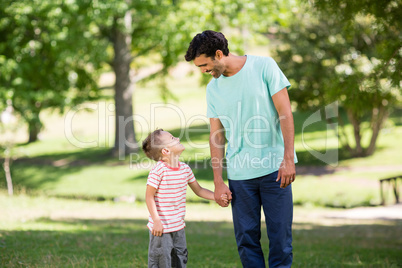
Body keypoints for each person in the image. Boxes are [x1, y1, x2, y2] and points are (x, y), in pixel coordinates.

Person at [185, 30, 297, 268]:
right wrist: (218, 181)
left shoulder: (264, 66)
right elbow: (216, 136)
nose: (204, 71)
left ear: (218, 54)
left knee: (281, 239)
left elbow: (285, 113)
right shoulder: (213, 89)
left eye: (205, 65)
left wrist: (288, 159)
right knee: (246, 240)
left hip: (274, 170)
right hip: (240, 176)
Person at [142, 129, 228, 268]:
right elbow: (149, 196)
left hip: (178, 227)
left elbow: (199, 190)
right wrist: (156, 220)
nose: (177, 137)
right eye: (172, 138)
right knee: (162, 261)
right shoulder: (159, 170)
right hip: (161, 228)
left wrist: (216, 197)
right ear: (166, 151)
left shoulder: (185, 169)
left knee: (180, 259)